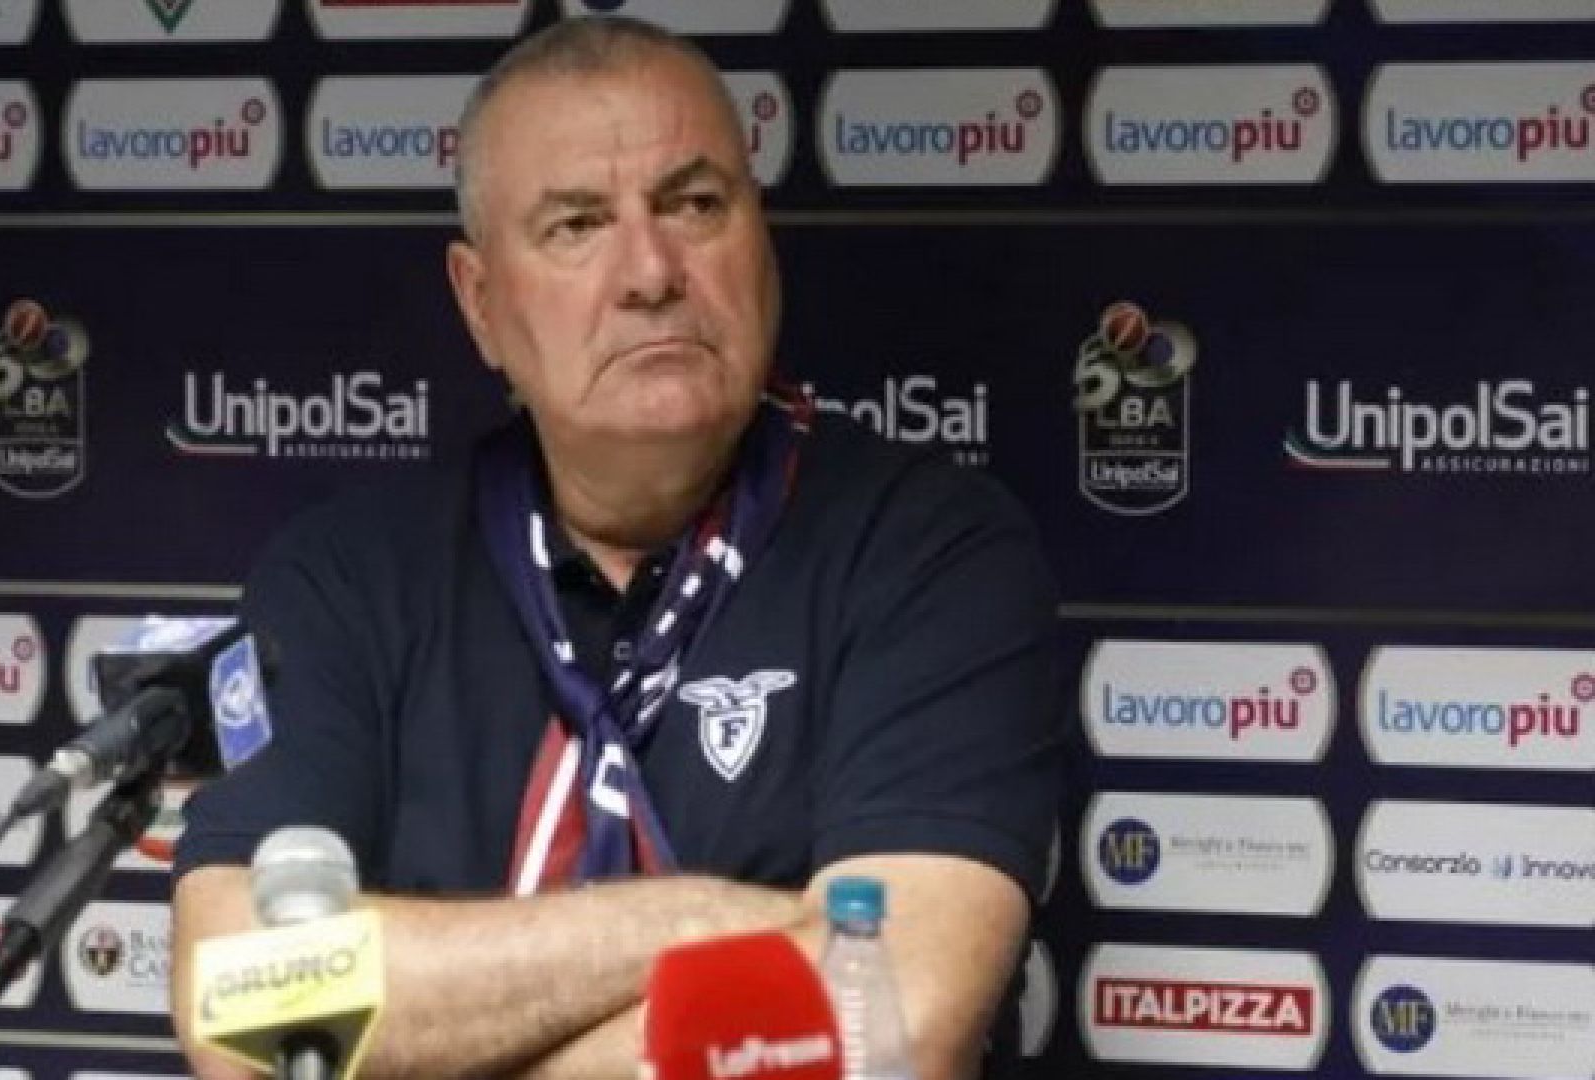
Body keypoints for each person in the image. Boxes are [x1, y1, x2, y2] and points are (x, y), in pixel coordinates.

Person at [170, 16, 1060, 1080]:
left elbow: (893, 1019)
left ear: (761, 243)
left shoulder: (930, 551)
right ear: (481, 303)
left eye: (694, 205)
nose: (650, 271)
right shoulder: (342, 578)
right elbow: (244, 1014)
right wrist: (705, 923)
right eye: (578, 225)